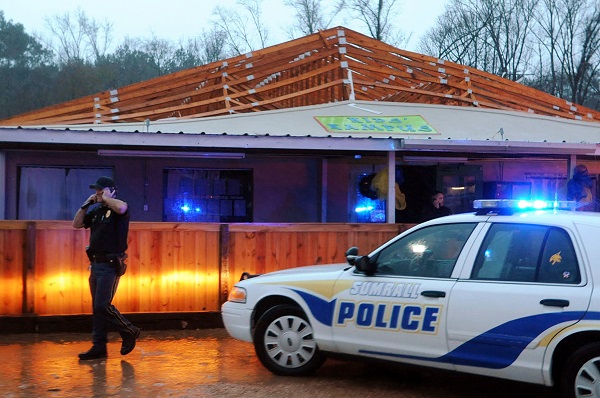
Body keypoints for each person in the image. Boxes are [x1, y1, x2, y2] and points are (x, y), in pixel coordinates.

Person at [72, 176, 140, 360]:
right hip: (95, 264)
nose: (98, 193)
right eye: (96, 190)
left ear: (111, 191)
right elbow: (76, 224)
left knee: (103, 305)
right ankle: (99, 346)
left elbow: (121, 207)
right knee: (97, 307)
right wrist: (85, 205)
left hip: (111, 264)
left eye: (101, 190)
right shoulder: (96, 212)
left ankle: (129, 330)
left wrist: (106, 198)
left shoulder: (119, 207)